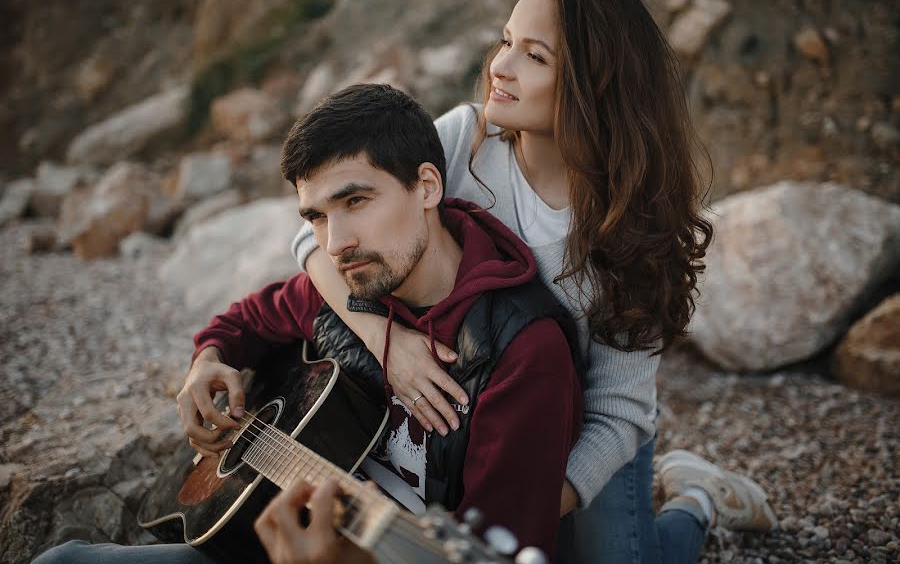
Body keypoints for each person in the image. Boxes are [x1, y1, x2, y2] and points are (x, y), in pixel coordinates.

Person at [290, 0, 778, 563]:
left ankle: (697, 499)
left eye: (535, 56)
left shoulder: (636, 225)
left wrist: (517, 504)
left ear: (596, 85)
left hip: (583, 433)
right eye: (505, 41)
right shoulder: (461, 144)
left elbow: (618, 413)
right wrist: (385, 343)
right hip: (467, 421)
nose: (500, 66)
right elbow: (313, 247)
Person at [33, 83, 582, 564]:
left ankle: (675, 512)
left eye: (356, 201)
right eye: (316, 216)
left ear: (428, 188)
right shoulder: (355, 286)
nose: (335, 244)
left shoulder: (522, 353)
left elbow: (496, 551)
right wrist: (205, 363)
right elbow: (246, 320)